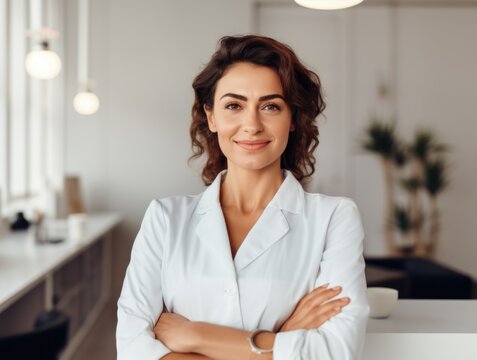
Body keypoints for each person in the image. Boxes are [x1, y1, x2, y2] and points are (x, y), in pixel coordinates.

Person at [116, 34, 369, 360]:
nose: (251, 124)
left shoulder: (334, 218)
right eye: (234, 105)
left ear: (292, 118)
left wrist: (194, 335)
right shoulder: (165, 218)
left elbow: (335, 352)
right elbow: (132, 350)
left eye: (270, 106)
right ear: (211, 117)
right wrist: (281, 339)